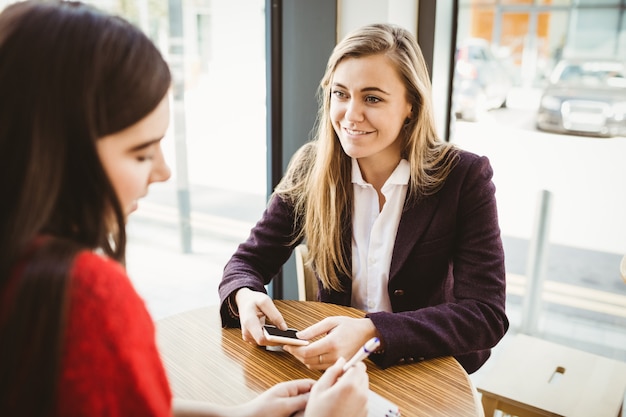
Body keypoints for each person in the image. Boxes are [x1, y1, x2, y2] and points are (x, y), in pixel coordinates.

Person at [0, 2, 368, 417]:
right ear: (49, 154)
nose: (163, 172)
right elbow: (249, 259)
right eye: (140, 154)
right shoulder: (84, 296)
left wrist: (235, 415)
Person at [219, 22, 509, 374]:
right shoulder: (313, 168)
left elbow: (485, 314)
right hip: (335, 367)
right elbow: (247, 262)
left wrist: (374, 332)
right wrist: (245, 295)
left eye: (372, 98)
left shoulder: (464, 177)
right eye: (340, 94)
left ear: (411, 107)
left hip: (429, 369)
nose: (351, 115)